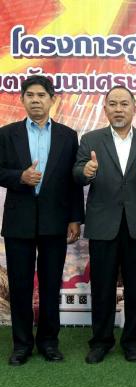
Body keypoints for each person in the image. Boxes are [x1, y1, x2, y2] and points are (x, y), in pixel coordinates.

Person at [73, 86, 136, 364]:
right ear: (105, 109)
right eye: (112, 104)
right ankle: (100, 342)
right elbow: (76, 173)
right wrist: (86, 172)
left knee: (135, 287)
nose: (118, 109)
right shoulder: (91, 139)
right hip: (104, 224)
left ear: (135, 108)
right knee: (102, 287)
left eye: (124, 104)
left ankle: (133, 342)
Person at [0, 75, 84, 366]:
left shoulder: (67, 135)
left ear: (52, 100)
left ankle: (49, 342)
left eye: (41, 95)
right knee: (20, 286)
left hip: (55, 220)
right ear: (22, 99)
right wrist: (19, 177)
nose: (36, 100)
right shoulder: (6, 133)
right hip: (19, 221)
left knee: (50, 285)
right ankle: (22, 345)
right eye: (30, 95)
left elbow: (73, 181)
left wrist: (75, 218)